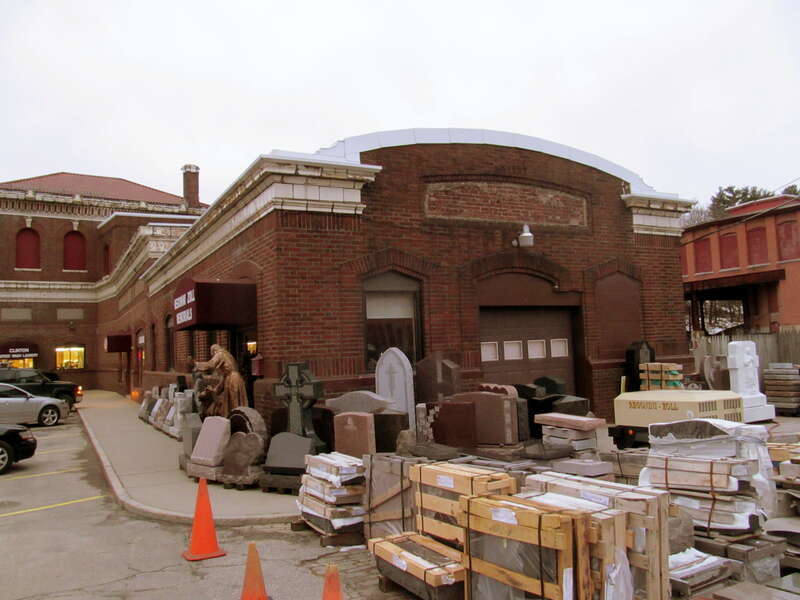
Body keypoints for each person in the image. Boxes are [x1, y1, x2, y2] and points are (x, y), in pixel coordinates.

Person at [190, 344, 247, 418]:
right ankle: (235, 418)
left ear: (214, 351)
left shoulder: (220, 354)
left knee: (233, 401)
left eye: (212, 355)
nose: (213, 356)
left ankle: (236, 417)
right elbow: (221, 383)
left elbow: (210, 364)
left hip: (233, 380)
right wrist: (214, 390)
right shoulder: (227, 356)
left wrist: (196, 364)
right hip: (236, 378)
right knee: (234, 402)